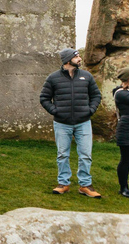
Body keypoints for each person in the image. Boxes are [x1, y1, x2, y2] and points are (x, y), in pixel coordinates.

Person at [40, 48, 102, 198]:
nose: (80, 58)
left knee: (86, 154)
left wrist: (90, 110)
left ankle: (85, 185)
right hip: (62, 123)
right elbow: (44, 98)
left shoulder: (86, 76)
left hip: (83, 122)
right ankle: (63, 183)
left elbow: (96, 95)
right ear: (68, 59)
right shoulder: (53, 78)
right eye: (77, 56)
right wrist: (56, 111)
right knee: (62, 154)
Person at [113, 67, 129, 198]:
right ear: (128, 79)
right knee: (126, 160)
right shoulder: (120, 93)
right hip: (127, 130)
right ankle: (123, 188)